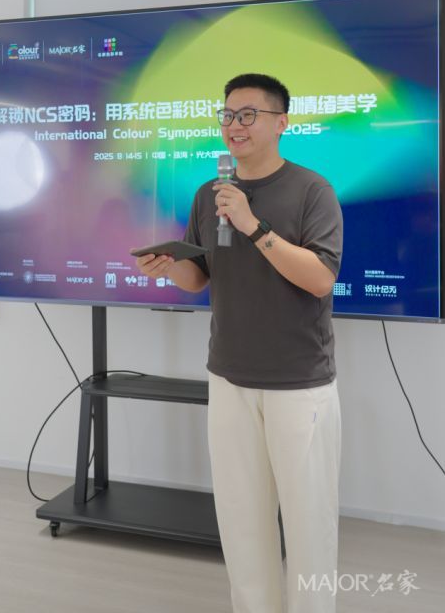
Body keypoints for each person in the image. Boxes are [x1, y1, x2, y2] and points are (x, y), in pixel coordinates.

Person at [135, 72, 343, 613]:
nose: (234, 125)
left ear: (282, 122)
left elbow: (320, 279)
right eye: (227, 115)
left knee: (309, 525)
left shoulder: (313, 191)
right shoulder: (209, 195)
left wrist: (253, 225)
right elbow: (200, 277)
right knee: (242, 523)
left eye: (248, 114)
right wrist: (168, 267)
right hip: (228, 376)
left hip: (299, 383)